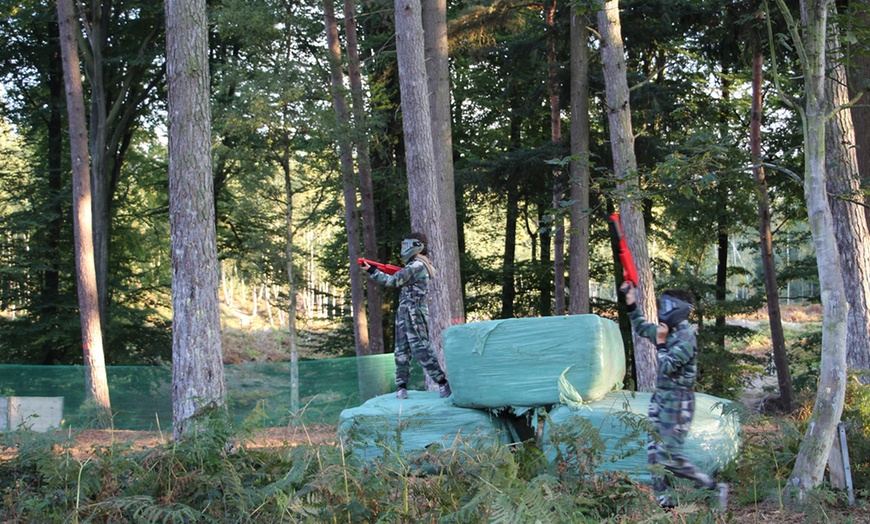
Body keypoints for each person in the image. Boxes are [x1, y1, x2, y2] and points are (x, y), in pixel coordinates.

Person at [620, 282, 728, 511]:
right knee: (654, 456)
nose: (663, 309)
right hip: (660, 398)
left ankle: (711, 485)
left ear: (679, 309)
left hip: (679, 402)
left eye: (668, 305)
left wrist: (660, 342)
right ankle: (666, 506)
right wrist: (630, 301)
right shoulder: (665, 329)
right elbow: (640, 327)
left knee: (669, 457)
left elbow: (668, 365)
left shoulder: (686, 336)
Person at [360, 233, 451, 399]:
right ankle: (401, 387)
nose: (403, 249)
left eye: (405, 245)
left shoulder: (417, 265)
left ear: (415, 246)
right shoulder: (416, 265)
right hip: (405, 312)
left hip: (414, 312)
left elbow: (392, 281)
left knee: (420, 348)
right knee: (401, 350)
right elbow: (398, 277)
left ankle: (443, 383)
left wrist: (372, 270)